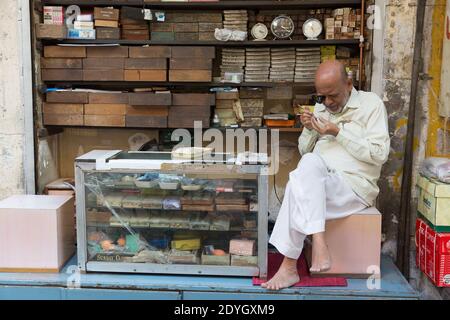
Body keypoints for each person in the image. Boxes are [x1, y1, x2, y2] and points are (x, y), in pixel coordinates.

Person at [261, 60, 390, 290]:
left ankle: (289, 266)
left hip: (353, 186)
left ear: (348, 84)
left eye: (333, 96)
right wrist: (310, 129)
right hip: (319, 182)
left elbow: (379, 154)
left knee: (295, 186)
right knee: (308, 163)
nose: (327, 103)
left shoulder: (372, 105)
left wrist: (337, 132)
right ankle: (318, 239)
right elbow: (304, 151)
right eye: (322, 97)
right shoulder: (320, 108)